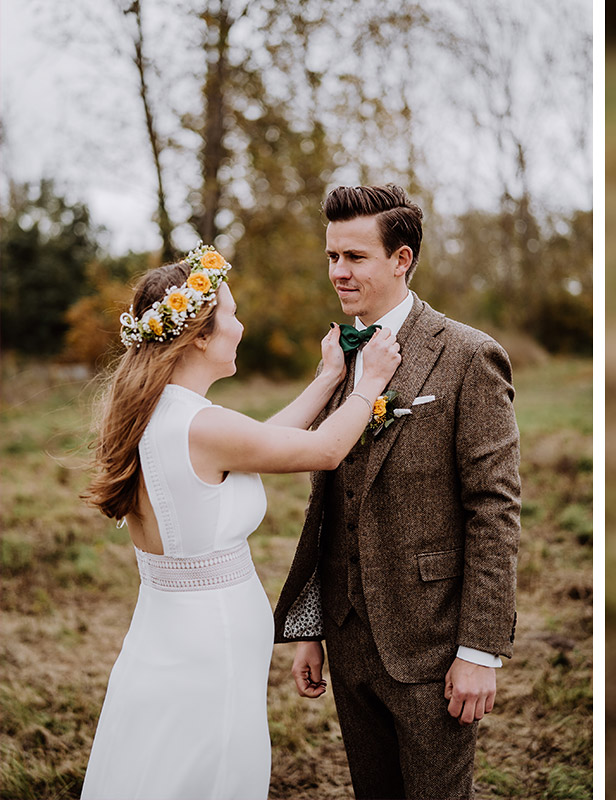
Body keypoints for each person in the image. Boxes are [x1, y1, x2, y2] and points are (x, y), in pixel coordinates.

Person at [80, 245, 401, 799]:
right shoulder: (200, 424)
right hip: (211, 645)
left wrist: (328, 379)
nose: (241, 324)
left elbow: (262, 445)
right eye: (230, 313)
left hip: (166, 634)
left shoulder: (160, 414)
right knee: (213, 775)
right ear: (199, 336)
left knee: (160, 764)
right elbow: (323, 449)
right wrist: (368, 383)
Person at [273, 184, 521, 800]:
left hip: (432, 640)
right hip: (348, 632)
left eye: (354, 257)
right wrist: (311, 625)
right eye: (332, 256)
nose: (337, 271)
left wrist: (480, 651)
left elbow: (494, 508)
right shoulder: (338, 357)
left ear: (401, 259)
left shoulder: (468, 356)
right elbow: (326, 502)